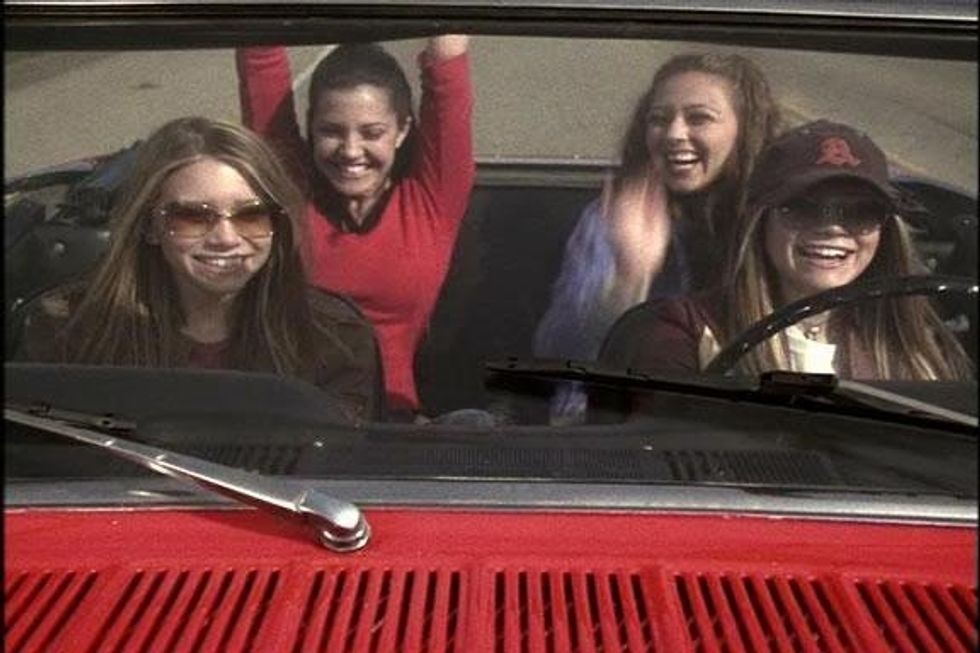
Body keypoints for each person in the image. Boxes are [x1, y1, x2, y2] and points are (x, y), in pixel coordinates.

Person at [15, 116, 384, 422]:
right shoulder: (67, 332)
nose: (225, 238)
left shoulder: (337, 339)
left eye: (251, 215)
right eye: (192, 217)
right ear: (149, 226)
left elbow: (344, 468)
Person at [602, 120, 973, 381]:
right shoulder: (686, 333)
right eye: (803, 207)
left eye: (861, 211)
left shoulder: (918, 343)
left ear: (886, 231)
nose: (832, 227)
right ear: (759, 221)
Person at [533, 52, 782, 421]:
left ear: (746, 130)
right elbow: (557, 352)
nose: (674, 134)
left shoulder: (779, 221)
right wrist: (629, 278)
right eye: (659, 120)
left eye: (699, 118)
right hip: (617, 420)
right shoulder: (617, 216)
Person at [236, 36, 475, 417]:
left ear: (401, 131)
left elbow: (448, 68)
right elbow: (260, 60)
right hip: (294, 416)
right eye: (331, 131)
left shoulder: (431, 199)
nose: (350, 151)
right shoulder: (291, 193)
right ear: (311, 129)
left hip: (391, 421)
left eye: (372, 132)